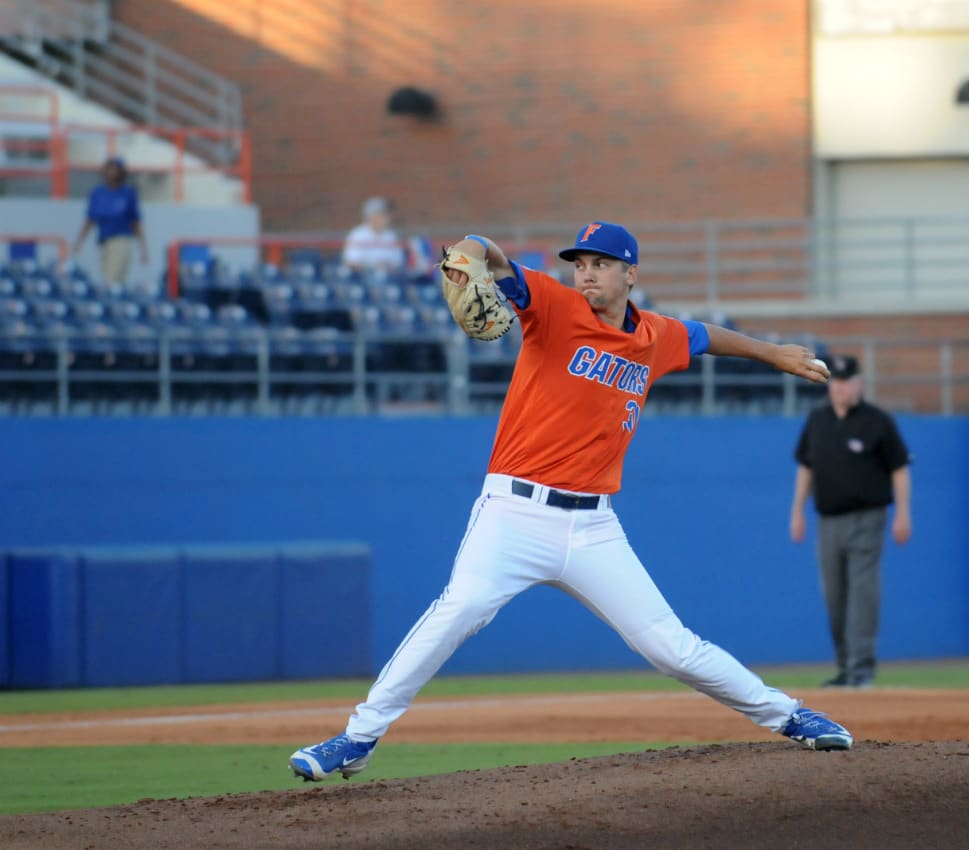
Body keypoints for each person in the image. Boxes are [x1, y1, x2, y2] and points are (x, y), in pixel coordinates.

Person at [289, 221, 853, 782]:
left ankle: (790, 716)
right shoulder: (555, 306)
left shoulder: (654, 336)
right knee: (460, 608)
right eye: (579, 264)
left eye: (600, 264)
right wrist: (470, 249)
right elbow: (497, 259)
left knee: (671, 648)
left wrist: (772, 352)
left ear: (630, 274)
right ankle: (359, 737)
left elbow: (703, 335)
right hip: (514, 513)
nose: (586, 274)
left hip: (593, 529)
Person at [789, 355, 911, 690]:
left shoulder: (877, 421)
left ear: (858, 383)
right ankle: (845, 667)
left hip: (867, 517)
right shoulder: (818, 420)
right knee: (835, 595)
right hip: (828, 520)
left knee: (862, 592)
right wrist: (797, 510)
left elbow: (899, 468)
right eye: (835, 382)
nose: (840, 388)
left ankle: (861, 668)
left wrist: (903, 512)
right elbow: (805, 467)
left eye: (846, 381)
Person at [70, 156, 147, 284]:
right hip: (104, 241)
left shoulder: (128, 193)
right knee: (115, 281)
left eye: (116, 169)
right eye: (110, 168)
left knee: (111, 280)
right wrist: (79, 242)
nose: (112, 172)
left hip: (121, 240)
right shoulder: (98, 193)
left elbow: (136, 222)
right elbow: (90, 220)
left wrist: (143, 249)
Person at [342, 196, 405, 273]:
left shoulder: (390, 235)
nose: (388, 217)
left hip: (388, 277)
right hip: (363, 278)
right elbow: (351, 262)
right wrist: (374, 267)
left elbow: (398, 261)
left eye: (388, 214)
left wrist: (388, 265)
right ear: (371, 216)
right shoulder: (358, 234)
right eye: (383, 214)